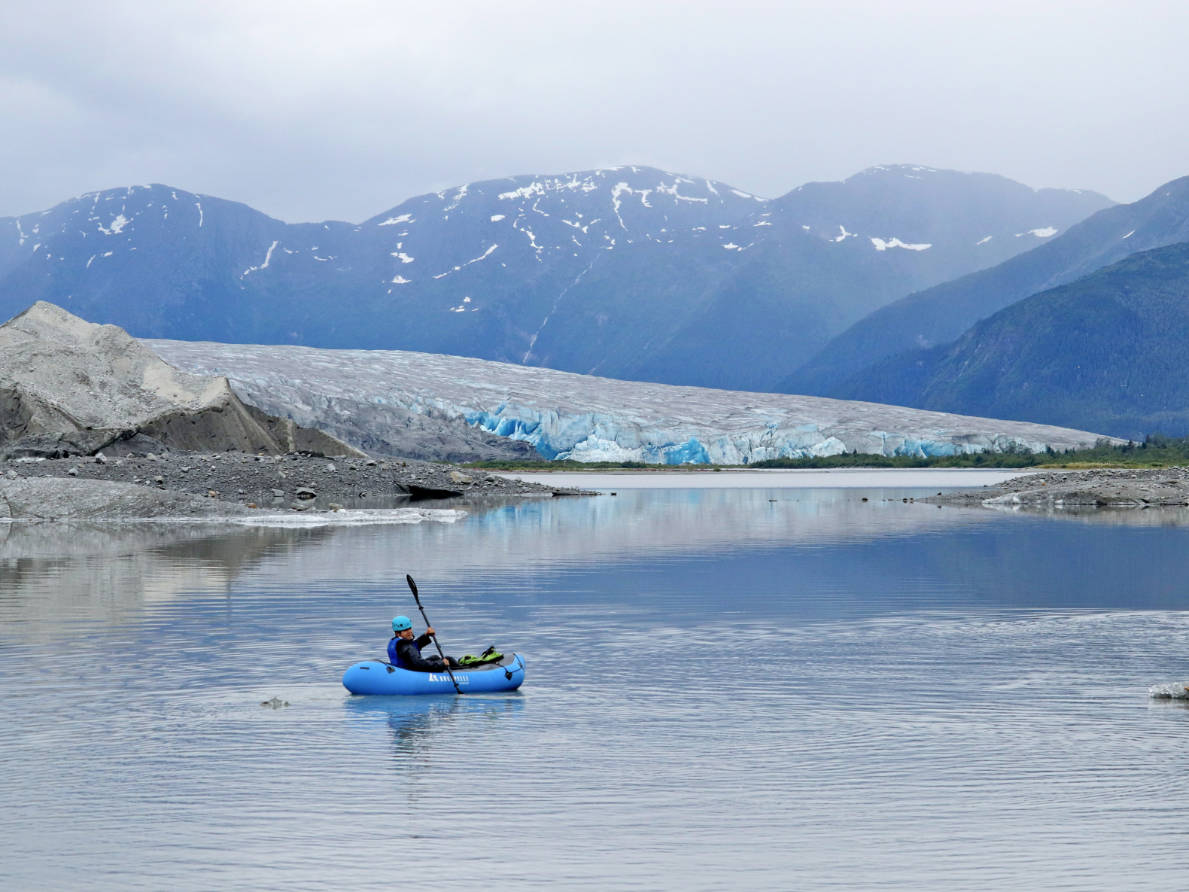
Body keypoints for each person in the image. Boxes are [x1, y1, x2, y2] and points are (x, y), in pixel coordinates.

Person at [387, 615, 459, 672]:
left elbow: (414, 646)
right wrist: (441, 664)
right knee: (448, 659)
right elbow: (419, 663)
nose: (409, 632)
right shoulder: (406, 646)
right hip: (413, 671)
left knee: (435, 657)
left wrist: (426, 635)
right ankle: (464, 671)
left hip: (404, 670)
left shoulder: (396, 642)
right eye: (405, 630)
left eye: (409, 628)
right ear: (398, 633)